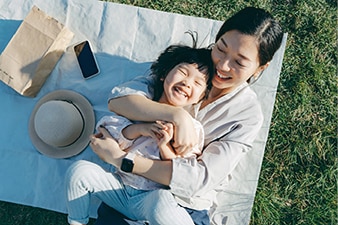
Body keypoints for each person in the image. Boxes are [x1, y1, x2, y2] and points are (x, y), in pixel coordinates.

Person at [90, 6, 284, 225]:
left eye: (239, 62)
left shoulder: (247, 116)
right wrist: (176, 115)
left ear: (260, 68)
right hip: (129, 189)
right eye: (221, 48)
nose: (222, 65)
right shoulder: (190, 66)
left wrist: (122, 160)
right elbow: (120, 101)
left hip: (183, 204)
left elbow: (199, 179)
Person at [65, 43, 214, 225]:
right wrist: (140, 129)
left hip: (149, 199)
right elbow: (108, 132)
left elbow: (182, 172)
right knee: (79, 171)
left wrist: (164, 146)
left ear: (201, 97)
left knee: (163, 203)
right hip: (119, 189)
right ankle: (76, 222)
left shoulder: (193, 129)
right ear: (164, 74)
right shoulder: (139, 106)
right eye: (183, 72)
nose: (187, 82)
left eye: (198, 83)